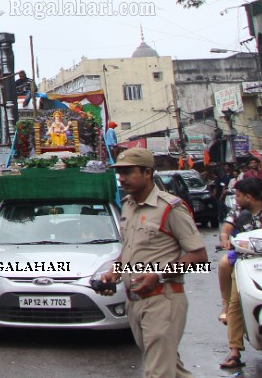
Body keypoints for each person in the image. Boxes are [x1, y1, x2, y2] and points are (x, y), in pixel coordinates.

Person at [97, 148, 207, 378]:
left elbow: (198, 256)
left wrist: (157, 275)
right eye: (120, 173)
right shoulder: (128, 205)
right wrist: (115, 272)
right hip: (135, 302)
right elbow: (131, 250)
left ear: (147, 173)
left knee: (158, 373)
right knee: (171, 369)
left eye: (128, 172)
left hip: (162, 299)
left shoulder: (170, 208)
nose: (122, 178)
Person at [216, 176, 262, 369]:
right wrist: (224, 239)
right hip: (246, 260)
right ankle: (235, 350)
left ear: (248, 196)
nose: (235, 199)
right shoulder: (238, 212)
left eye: (238, 195)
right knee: (236, 301)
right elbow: (226, 229)